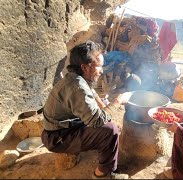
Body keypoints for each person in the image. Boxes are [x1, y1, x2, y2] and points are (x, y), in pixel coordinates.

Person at [41, 41, 129, 179]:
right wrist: (117, 101)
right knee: (110, 130)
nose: (102, 70)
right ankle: (103, 174)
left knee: (105, 120)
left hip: (61, 129)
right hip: (58, 138)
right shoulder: (77, 86)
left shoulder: (76, 77)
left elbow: (91, 91)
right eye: (99, 66)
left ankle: (103, 154)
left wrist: (101, 103)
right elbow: (98, 120)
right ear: (85, 67)